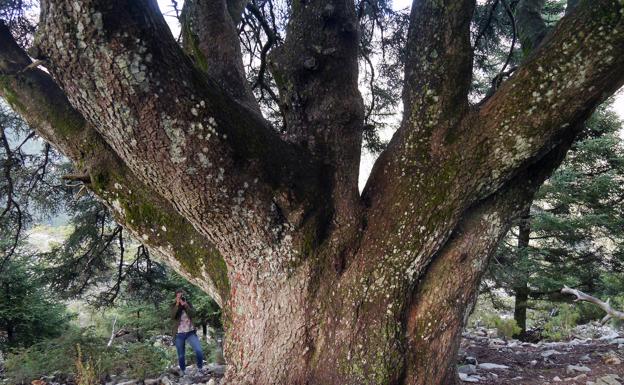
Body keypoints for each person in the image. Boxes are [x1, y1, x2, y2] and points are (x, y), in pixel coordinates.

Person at [171, 289, 204, 375]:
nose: (181, 297)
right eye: (179, 296)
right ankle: (183, 371)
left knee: (198, 350)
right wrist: (178, 304)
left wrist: (185, 305)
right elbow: (173, 316)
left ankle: (200, 368)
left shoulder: (188, 304)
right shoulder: (173, 305)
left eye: (182, 296)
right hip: (179, 334)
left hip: (190, 332)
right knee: (181, 355)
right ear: (176, 297)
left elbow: (193, 314)